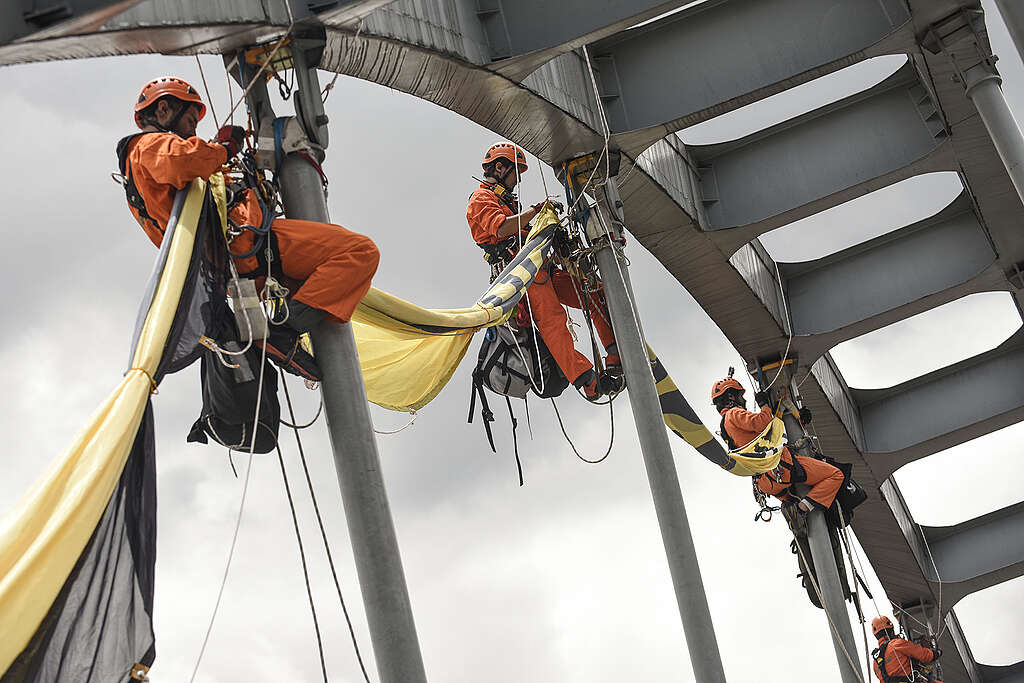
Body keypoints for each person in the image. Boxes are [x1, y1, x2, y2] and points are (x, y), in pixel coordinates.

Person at [117, 77, 379, 379]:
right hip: (252, 246)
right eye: (190, 121)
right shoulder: (148, 147)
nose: (193, 132)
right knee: (359, 252)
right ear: (163, 110)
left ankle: (286, 333)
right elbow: (188, 161)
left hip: (237, 264)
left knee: (320, 286)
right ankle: (286, 328)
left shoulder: (141, 176)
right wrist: (225, 147)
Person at [466, 142, 620, 400]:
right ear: (501, 168)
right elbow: (501, 228)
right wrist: (535, 213)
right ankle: (587, 379)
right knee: (553, 322)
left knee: (592, 291)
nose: (518, 180)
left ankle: (614, 352)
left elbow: (521, 232)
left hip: (541, 268)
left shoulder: (506, 201)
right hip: (523, 276)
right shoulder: (481, 198)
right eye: (517, 173)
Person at [711, 375, 843, 512]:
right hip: (781, 468)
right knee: (836, 475)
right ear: (731, 397)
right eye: (740, 395)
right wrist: (764, 404)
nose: (743, 399)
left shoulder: (725, 427)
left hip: (765, 482)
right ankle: (802, 509)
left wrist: (795, 417)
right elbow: (763, 422)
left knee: (792, 500)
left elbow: (768, 433)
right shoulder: (734, 413)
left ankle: (794, 510)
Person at [870, 616, 941, 683]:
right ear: (891, 631)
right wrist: (936, 653)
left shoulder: (875, 663)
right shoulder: (896, 644)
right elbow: (924, 655)